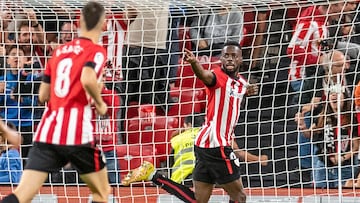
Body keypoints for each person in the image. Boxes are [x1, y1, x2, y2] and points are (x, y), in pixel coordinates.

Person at [0, 2, 111, 203]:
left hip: (47, 132)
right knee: (101, 193)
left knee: (22, 195)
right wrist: (100, 102)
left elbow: (43, 95)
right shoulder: (96, 50)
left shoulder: (59, 51)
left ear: (78, 22)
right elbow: (87, 78)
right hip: (77, 133)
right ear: (104, 24)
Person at [121, 115, 268, 203]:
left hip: (183, 178)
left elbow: (168, 158)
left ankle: (153, 175)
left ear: (187, 125)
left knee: (198, 200)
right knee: (238, 194)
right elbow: (239, 153)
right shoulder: (216, 134)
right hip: (212, 169)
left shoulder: (177, 137)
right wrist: (259, 158)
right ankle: (154, 175)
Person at [295, 91, 359, 188]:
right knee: (320, 195)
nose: (333, 95)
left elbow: (356, 147)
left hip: (345, 167)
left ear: (345, 99)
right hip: (323, 164)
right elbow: (310, 134)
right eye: (331, 93)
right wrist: (303, 126)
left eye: (337, 93)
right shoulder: (323, 117)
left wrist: (343, 157)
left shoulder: (351, 119)